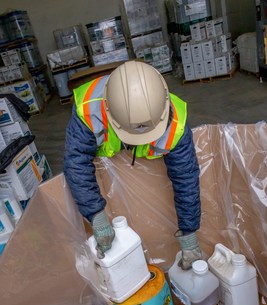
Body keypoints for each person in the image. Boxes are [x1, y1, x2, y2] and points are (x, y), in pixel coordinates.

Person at [64, 60, 202, 269]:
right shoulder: (88, 108)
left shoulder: (176, 122)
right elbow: (76, 163)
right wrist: (96, 216)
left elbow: (186, 178)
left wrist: (189, 235)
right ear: (109, 112)